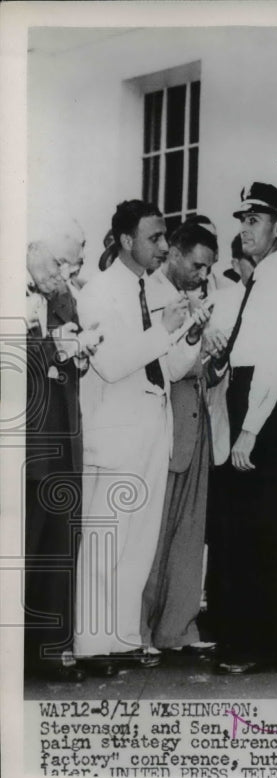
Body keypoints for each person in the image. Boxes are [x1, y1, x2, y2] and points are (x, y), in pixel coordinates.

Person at [74, 200, 208, 677]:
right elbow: (111, 364)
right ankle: (92, 645)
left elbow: (169, 368)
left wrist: (189, 331)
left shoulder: (154, 289)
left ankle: (123, 637)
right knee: (106, 541)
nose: (164, 245)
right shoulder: (98, 292)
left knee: (139, 544)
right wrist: (163, 328)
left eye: (165, 236)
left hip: (154, 427)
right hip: (115, 431)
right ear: (127, 240)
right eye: (154, 237)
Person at [209, 181, 277, 675]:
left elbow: (275, 362)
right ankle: (252, 640)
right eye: (242, 220)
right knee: (247, 530)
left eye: (254, 220)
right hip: (251, 400)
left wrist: (249, 430)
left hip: (265, 409)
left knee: (261, 531)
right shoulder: (262, 281)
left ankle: (261, 646)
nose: (245, 228)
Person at [24, 215, 101, 682]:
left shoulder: (65, 296)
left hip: (63, 436)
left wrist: (81, 353)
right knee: (22, 550)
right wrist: (55, 347)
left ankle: (52, 652)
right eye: (60, 263)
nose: (66, 276)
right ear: (33, 248)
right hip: (25, 441)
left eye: (74, 267)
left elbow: (67, 360)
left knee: (57, 549)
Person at [140, 221, 219, 658]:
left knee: (189, 534)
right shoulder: (148, 295)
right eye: (197, 265)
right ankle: (138, 628)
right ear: (173, 253)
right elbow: (169, 365)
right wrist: (193, 339)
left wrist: (214, 356)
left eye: (208, 269)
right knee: (154, 532)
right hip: (166, 421)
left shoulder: (197, 299)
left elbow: (199, 363)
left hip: (197, 420)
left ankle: (178, 629)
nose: (203, 275)